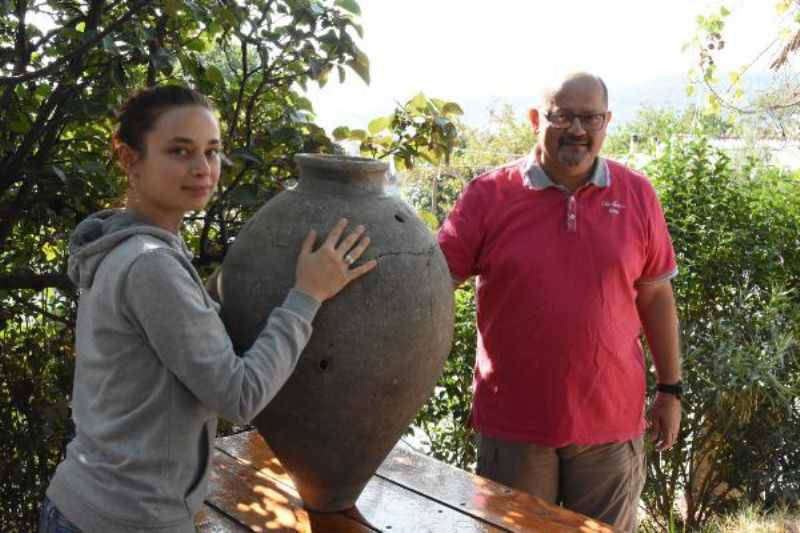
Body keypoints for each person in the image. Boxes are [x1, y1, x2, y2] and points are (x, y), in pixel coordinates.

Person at [39, 85, 377, 533]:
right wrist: (308, 294)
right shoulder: (150, 265)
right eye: (180, 151)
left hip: (87, 504)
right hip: (126, 520)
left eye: (212, 152)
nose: (203, 169)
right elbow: (240, 397)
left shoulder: (124, 246)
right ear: (129, 159)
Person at [437, 72, 682, 531]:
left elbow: (655, 295)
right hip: (515, 424)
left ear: (607, 122)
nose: (577, 129)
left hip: (610, 424)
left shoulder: (637, 194)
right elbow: (433, 286)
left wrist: (670, 389)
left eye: (590, 117)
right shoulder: (488, 195)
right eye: (563, 116)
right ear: (536, 119)